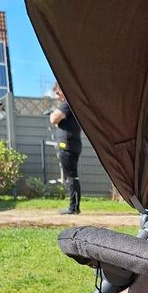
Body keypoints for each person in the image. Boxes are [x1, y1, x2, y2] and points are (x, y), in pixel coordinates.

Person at [49, 83, 82, 214]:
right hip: (71, 144)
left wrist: (53, 114)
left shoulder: (68, 103)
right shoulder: (70, 104)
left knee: (71, 176)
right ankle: (74, 207)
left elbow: (54, 119)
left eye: (58, 92)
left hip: (67, 145)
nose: (57, 96)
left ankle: (73, 208)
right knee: (71, 176)